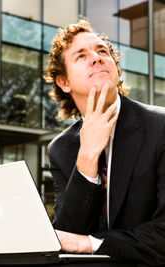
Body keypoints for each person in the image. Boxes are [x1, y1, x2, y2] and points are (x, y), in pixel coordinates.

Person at [44, 20, 165, 267]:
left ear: (116, 69)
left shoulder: (160, 127)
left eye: (102, 52)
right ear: (64, 82)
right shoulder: (60, 149)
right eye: (81, 56)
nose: (97, 58)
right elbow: (67, 231)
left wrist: (89, 243)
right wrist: (87, 156)